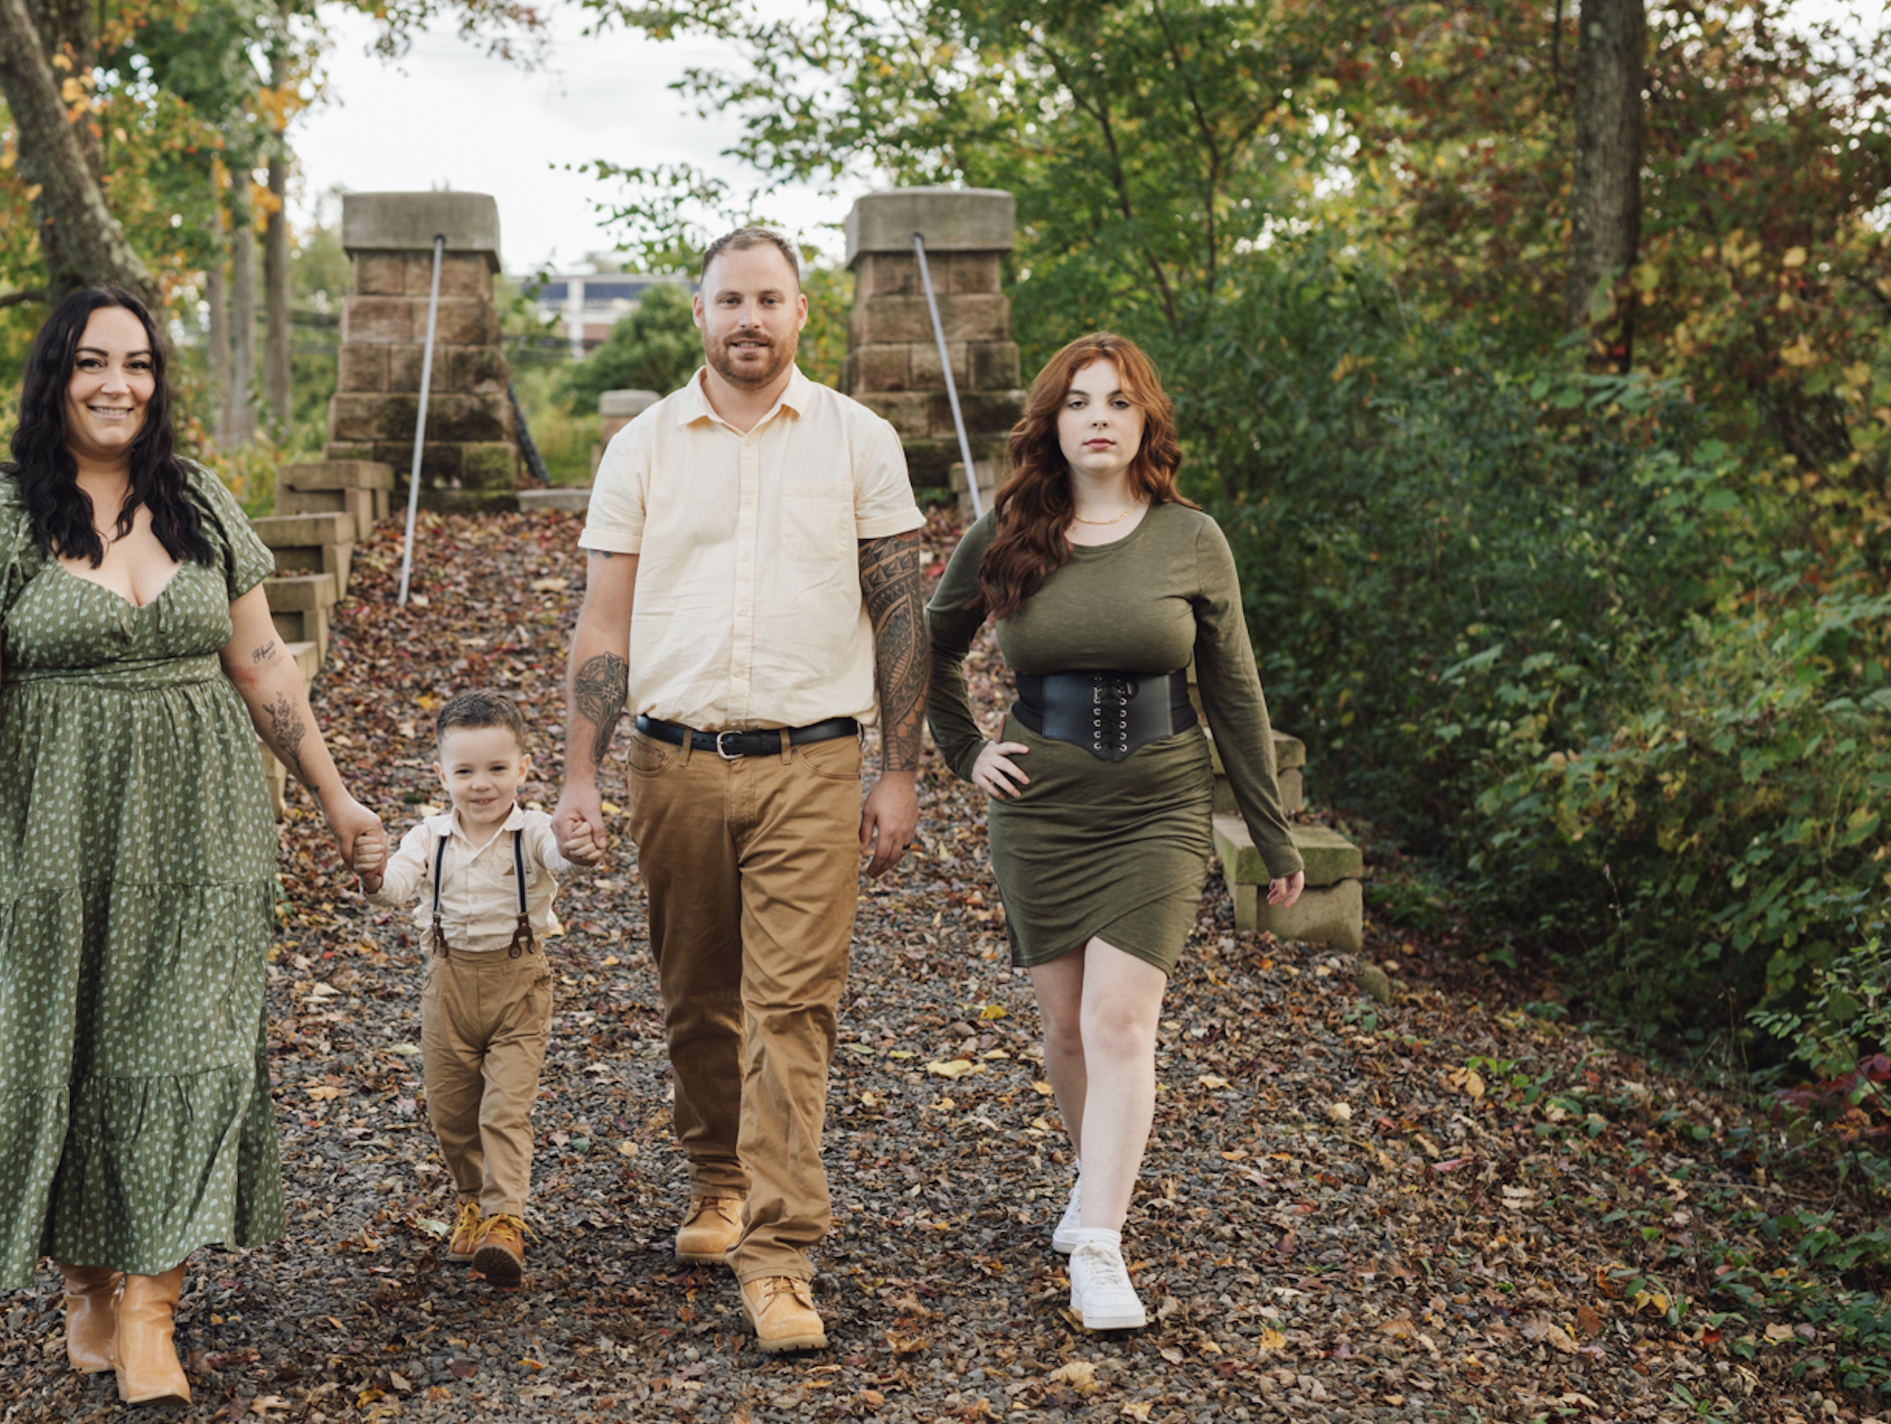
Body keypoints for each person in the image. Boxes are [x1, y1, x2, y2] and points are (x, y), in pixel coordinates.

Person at [0, 287, 386, 1407]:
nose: (117, 384)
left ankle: (152, 1314)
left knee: (191, 1052)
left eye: (138, 363)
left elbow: (265, 666)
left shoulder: (201, 505)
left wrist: (337, 800)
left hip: (204, 826)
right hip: (47, 827)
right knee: (53, 1049)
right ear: (52, 378)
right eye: (90, 363)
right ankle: (84, 1289)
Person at [553, 226, 929, 1354]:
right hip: (669, 760)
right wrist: (578, 770)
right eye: (730, 301)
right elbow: (603, 621)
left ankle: (781, 1258)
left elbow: (903, 608)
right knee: (697, 995)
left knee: (793, 1009)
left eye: (769, 299)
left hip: (811, 762)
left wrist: (900, 771)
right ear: (700, 315)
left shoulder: (860, 441)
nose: (749, 319)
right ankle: (717, 1181)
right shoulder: (645, 448)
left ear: (803, 312)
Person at [924, 332, 1304, 1331]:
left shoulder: (1191, 539)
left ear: (1146, 424)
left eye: (1120, 402)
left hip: (1158, 807)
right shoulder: (1006, 530)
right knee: (1063, 1030)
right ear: (1053, 422)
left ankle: (1098, 1246)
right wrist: (963, 750)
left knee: (1118, 1021)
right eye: (1080, 401)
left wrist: (1273, 837)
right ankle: (1093, 1180)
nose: (1099, 417)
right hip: (1041, 812)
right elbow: (925, 646)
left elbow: (1235, 690)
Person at [357, 690, 601, 1290]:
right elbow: (395, 887)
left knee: (504, 1109)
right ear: (441, 774)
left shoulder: (534, 831)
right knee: (452, 1112)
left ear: (522, 768)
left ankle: (505, 1222)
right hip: (448, 985)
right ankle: (472, 1201)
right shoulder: (430, 837)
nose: (481, 785)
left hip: (519, 984)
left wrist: (579, 848)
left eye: (497, 769)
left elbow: (562, 858)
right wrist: (369, 869)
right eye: (465, 771)